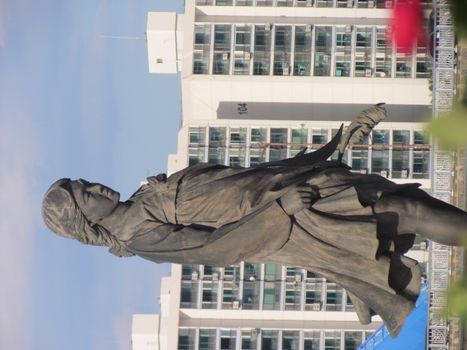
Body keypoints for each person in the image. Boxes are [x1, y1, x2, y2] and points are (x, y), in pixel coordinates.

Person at [42, 123, 467, 338]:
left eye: (86, 182)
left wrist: (333, 145)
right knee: (406, 210)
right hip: (299, 224)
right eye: (86, 193)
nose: (95, 186)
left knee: (413, 203)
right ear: (86, 220)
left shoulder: (145, 195)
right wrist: (280, 209)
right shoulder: (140, 237)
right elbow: (214, 248)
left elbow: (249, 176)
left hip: (303, 191)